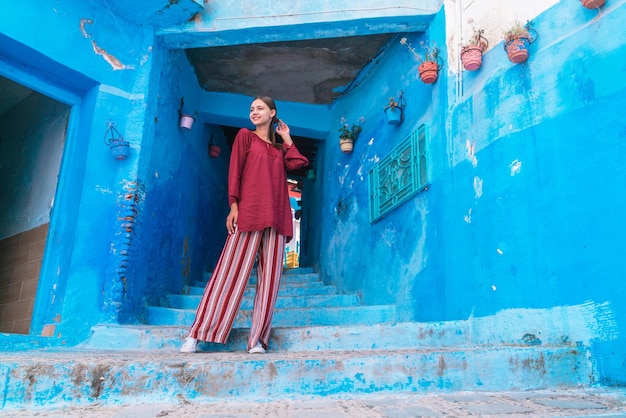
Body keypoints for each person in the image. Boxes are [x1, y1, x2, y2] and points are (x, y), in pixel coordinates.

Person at [180, 96, 309, 354]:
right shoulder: (245, 137)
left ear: (273, 113)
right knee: (227, 276)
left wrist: (286, 138)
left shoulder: (279, 149)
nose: (254, 112)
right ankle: (198, 333)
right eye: (251, 109)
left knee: (269, 283)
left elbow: (299, 164)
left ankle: (258, 341)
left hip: (276, 218)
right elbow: (235, 171)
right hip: (249, 213)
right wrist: (234, 205)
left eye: (260, 108)